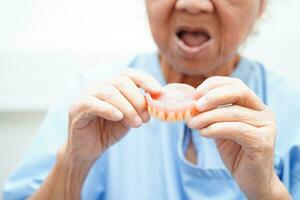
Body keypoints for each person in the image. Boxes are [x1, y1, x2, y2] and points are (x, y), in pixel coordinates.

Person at [3, 0, 299, 199]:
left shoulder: (291, 109)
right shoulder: (92, 100)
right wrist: (73, 163)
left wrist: (268, 190)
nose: (192, 4)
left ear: (261, 5)